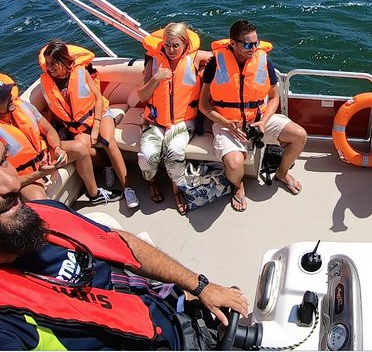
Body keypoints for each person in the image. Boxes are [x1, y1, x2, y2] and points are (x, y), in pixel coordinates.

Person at [0, 142, 249, 350]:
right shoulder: (7, 328)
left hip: (172, 314)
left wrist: (197, 286)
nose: (12, 184)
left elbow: (120, 243)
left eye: (2, 161)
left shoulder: (42, 214)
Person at [199, 19, 307, 212]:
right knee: (234, 164)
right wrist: (226, 122)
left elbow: (274, 97)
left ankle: (282, 173)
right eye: (248, 44)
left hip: (258, 119)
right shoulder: (216, 63)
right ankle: (238, 186)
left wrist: (264, 122)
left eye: (256, 43)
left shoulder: (263, 60)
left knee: (299, 135)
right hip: (227, 123)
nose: (253, 48)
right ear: (233, 43)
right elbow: (203, 105)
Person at [38, 40, 138, 208]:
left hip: (99, 114)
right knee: (82, 148)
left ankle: (128, 188)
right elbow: (50, 111)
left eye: (54, 63)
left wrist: (96, 127)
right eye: (47, 64)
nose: (50, 68)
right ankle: (107, 166)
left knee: (107, 140)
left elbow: (98, 99)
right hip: (77, 126)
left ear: (64, 61)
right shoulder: (47, 82)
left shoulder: (81, 73)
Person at [0, 73, 122, 205]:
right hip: (25, 175)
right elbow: (6, 181)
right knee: (41, 202)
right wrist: (38, 174)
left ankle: (94, 194)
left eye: (8, 93)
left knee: (80, 148)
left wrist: (57, 148)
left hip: (46, 156)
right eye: (3, 98)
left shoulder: (24, 107)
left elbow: (49, 130)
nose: (10, 97)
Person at [137, 22, 211, 215]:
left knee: (174, 151)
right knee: (147, 156)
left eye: (176, 45)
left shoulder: (195, 58)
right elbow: (142, 96)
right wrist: (155, 79)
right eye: (167, 44)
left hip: (182, 122)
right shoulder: (153, 61)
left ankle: (176, 190)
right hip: (154, 121)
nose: (171, 50)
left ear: (185, 44)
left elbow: (220, 58)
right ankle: (151, 182)